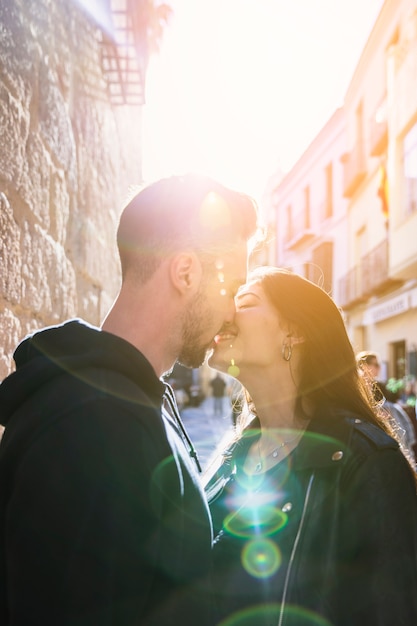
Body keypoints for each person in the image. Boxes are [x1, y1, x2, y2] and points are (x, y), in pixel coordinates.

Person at [0, 174, 259, 626]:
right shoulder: (92, 425)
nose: (233, 310)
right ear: (185, 272)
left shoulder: (140, 396)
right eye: (232, 286)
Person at [205, 267, 417, 626]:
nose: (227, 312)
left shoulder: (367, 460)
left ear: (295, 330)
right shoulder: (232, 453)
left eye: (246, 302)